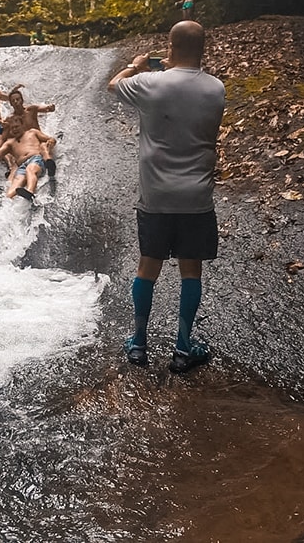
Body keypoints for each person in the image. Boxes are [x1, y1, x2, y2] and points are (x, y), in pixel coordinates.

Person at [108, 20, 226, 373]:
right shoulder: (216, 88)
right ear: (203, 48)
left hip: (156, 194)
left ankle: (138, 344)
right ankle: (183, 348)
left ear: (170, 48)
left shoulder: (150, 83)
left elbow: (113, 85)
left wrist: (136, 66)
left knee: (148, 266)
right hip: (196, 196)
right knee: (191, 271)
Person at [0, 125, 56, 202]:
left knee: (30, 170)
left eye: (16, 127)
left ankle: (30, 191)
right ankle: (5, 199)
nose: (14, 129)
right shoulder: (9, 143)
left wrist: (51, 141)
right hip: (22, 165)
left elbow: (49, 139)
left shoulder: (32, 132)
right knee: (17, 181)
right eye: (12, 128)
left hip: (35, 159)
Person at [6, 87, 58, 175]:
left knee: (43, 146)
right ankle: (10, 174)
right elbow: (8, 137)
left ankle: (49, 164)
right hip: (25, 146)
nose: (16, 102)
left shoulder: (31, 110)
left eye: (18, 99)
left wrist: (49, 108)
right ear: (10, 104)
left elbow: (44, 108)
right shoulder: (11, 119)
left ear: (22, 100)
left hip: (38, 139)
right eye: (13, 101)